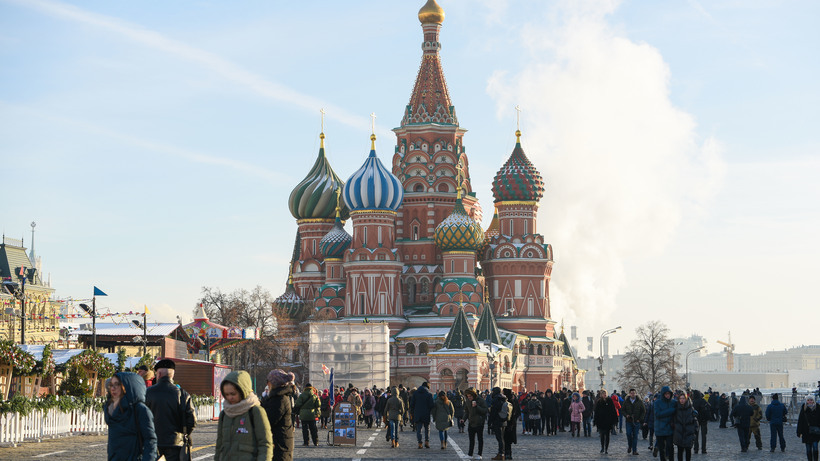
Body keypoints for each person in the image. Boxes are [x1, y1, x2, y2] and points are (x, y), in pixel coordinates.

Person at [215, 370, 273, 461]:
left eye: (233, 394)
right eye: (226, 394)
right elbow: (219, 446)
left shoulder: (255, 411)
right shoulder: (224, 414)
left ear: (243, 391)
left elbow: (265, 444)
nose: (230, 397)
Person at [145, 359, 196, 461]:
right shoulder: (182, 394)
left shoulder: (147, 393)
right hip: (175, 443)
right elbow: (192, 420)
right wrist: (183, 433)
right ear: (173, 375)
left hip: (152, 442)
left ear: (158, 374)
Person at [104, 372, 157, 461]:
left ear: (127, 386)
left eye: (117, 384)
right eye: (111, 385)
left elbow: (150, 440)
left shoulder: (140, 409)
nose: (113, 388)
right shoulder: (111, 408)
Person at [261, 369, 295, 461]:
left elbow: (269, 420)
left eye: (268, 381)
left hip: (280, 445)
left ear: (273, 383)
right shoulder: (277, 397)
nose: (267, 384)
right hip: (280, 443)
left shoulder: (280, 399)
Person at [463, 387, 487, 460]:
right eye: (468, 396)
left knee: (480, 439)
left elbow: (484, 410)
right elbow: (467, 411)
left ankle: (479, 454)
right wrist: (463, 419)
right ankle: (470, 454)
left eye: (470, 396)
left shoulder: (481, 401)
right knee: (471, 439)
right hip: (471, 422)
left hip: (479, 423)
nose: (469, 397)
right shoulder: (467, 401)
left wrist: (477, 406)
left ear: (474, 395)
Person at [293, 382, 320, 446]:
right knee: (313, 429)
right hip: (311, 414)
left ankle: (306, 442)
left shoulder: (302, 395)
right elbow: (318, 404)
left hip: (304, 415)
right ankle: (315, 442)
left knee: (305, 429)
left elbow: (298, 404)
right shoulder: (314, 395)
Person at [672, 392, 696, 461]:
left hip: (689, 432)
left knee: (688, 452)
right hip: (679, 432)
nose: (682, 400)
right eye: (680, 398)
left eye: (683, 398)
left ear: (686, 399)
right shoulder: (676, 408)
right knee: (680, 452)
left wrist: (695, 431)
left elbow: (695, 420)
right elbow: (673, 419)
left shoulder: (690, 408)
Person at [654, 386, 676, 461]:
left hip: (669, 428)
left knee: (670, 447)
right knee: (661, 449)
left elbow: (683, 406)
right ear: (663, 394)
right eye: (666, 394)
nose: (667, 395)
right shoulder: (657, 402)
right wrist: (671, 410)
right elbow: (657, 414)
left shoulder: (673, 402)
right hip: (660, 428)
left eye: (669, 394)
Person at [621, 388, 645, 455]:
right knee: (628, 434)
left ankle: (634, 450)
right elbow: (622, 410)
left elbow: (643, 411)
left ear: (636, 393)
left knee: (635, 436)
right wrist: (626, 415)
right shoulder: (626, 401)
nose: (633, 394)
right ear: (629, 394)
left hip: (636, 421)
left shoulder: (639, 401)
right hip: (629, 421)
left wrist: (640, 419)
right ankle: (630, 446)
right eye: (631, 393)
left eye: (634, 393)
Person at [410, 382, 435, 449]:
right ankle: (427, 442)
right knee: (427, 429)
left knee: (419, 429)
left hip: (417, 414)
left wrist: (412, 413)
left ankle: (420, 443)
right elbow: (431, 405)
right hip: (426, 414)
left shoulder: (415, 394)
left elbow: (412, 405)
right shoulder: (429, 394)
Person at [796, 394, 820, 461]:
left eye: (811, 400)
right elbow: (800, 420)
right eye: (808, 400)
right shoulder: (804, 408)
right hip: (806, 431)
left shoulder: (818, 408)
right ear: (806, 401)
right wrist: (799, 431)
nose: (810, 401)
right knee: (808, 449)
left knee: (815, 448)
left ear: (813, 401)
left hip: (815, 431)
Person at [594, 389, 617, 455]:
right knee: (602, 435)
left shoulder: (610, 401)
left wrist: (614, 420)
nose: (604, 395)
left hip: (608, 421)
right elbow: (596, 412)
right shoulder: (599, 402)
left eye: (605, 393)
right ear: (601, 394)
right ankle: (602, 447)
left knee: (607, 435)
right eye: (603, 393)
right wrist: (596, 421)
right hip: (601, 421)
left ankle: (606, 448)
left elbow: (613, 411)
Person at [489, 387, 509, 460]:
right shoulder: (503, 398)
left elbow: (493, 412)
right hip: (504, 421)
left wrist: (490, 422)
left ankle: (501, 454)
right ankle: (501, 453)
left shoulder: (496, 400)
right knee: (502, 438)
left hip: (497, 421)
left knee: (499, 439)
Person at [502, 389, 520, 460]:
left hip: (508, 423)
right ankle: (509, 454)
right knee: (508, 441)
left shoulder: (507, 402)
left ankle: (507, 453)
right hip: (512, 423)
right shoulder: (514, 401)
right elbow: (517, 412)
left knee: (506, 439)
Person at [691, 390, 710, 454]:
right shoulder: (703, 401)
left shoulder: (693, 402)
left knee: (696, 435)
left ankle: (696, 449)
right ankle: (703, 449)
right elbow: (709, 408)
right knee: (704, 435)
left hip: (696, 420)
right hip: (704, 420)